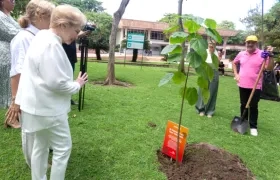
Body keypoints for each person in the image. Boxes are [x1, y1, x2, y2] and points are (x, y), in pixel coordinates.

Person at [13, 4, 88, 180]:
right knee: (63, 148)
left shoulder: (41, 38)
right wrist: (77, 84)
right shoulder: (50, 44)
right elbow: (57, 83)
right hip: (48, 109)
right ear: (63, 25)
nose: (76, 35)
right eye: (76, 30)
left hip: (36, 107)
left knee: (41, 145)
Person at [6, 0, 55, 168]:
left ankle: (41, 159)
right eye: (52, 17)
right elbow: (17, 72)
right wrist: (15, 101)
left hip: (41, 94)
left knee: (42, 130)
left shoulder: (39, 37)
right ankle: (34, 164)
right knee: (31, 132)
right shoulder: (24, 38)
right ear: (41, 16)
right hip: (29, 95)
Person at [232, 35, 274, 136]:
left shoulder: (262, 54)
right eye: (248, 42)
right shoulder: (241, 54)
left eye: (253, 42)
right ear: (246, 43)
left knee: (253, 106)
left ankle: (253, 126)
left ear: (256, 43)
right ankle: (243, 122)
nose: (250, 44)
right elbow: (234, 63)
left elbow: (269, 68)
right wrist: (236, 74)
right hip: (242, 84)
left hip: (255, 86)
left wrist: (270, 55)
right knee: (243, 104)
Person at [0, 0, 21, 128]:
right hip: (4, 55)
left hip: (12, 53)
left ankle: (13, 117)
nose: (13, 1)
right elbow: (13, 33)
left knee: (12, 87)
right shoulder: (0, 17)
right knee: (9, 88)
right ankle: (11, 119)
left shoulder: (8, 16)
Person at [195, 42, 222, 118]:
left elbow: (217, 64)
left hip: (214, 72)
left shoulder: (217, 52)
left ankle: (210, 110)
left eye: (213, 44)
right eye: (210, 43)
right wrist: (209, 53)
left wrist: (217, 56)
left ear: (215, 45)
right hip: (205, 71)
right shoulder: (204, 51)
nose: (211, 45)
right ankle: (201, 109)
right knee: (202, 90)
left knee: (212, 91)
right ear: (208, 44)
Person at [63, 31, 90, 105]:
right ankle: (65, 98)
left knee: (70, 77)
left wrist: (85, 33)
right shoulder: (64, 33)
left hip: (71, 57)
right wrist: (81, 33)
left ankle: (68, 98)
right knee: (65, 77)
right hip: (66, 57)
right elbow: (70, 35)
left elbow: (75, 36)